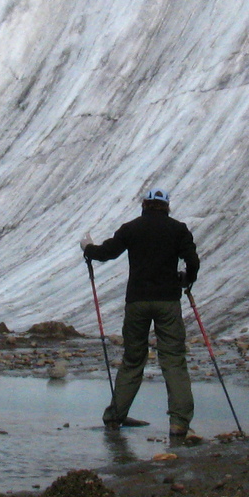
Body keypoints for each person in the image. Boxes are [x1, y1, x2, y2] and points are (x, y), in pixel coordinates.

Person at [82, 187, 201, 441]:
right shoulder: (178, 229)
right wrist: (186, 279)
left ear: (145, 205)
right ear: (166, 206)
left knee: (133, 360)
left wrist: (88, 249)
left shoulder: (131, 228)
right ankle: (179, 424)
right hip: (168, 302)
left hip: (136, 302)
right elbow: (193, 261)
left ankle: (115, 417)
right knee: (173, 361)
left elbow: (106, 253)